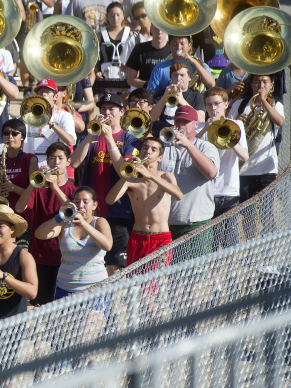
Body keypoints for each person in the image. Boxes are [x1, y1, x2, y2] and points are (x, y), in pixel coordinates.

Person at [69, 92, 140, 272]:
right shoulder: (92, 136)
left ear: (122, 112)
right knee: (89, 264)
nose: (107, 112)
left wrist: (109, 139)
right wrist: (89, 135)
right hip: (92, 213)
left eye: (111, 109)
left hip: (119, 212)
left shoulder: (130, 140)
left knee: (115, 267)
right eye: (103, 109)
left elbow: (125, 172)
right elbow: (74, 163)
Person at [14, 141, 76, 304]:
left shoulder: (73, 190)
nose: (56, 162)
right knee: (39, 307)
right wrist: (33, 184)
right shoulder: (39, 189)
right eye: (52, 158)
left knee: (62, 309)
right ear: (47, 161)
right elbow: (20, 208)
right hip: (40, 256)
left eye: (60, 158)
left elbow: (73, 213)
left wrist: (54, 187)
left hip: (65, 258)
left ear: (68, 162)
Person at [106, 136, 182, 267]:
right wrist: (127, 174)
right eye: (145, 148)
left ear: (160, 158)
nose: (148, 151)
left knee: (158, 281)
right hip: (137, 238)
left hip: (160, 239)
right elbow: (110, 200)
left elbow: (178, 195)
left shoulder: (166, 176)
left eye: (153, 149)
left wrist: (151, 176)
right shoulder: (132, 181)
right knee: (135, 282)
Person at [34, 186, 112, 299]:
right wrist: (59, 217)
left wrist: (84, 224)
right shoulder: (65, 224)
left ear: (94, 204)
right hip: (65, 289)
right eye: (76, 202)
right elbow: (40, 234)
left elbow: (107, 246)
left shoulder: (100, 222)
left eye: (86, 202)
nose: (81, 205)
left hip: (95, 289)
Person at [162, 106, 219, 245]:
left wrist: (188, 145)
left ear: (196, 124)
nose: (180, 125)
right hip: (166, 224)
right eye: (177, 121)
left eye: (185, 122)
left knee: (196, 267)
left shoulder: (206, 147)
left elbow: (211, 172)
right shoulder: (163, 147)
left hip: (195, 223)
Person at [232, 73, 285, 202]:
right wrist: (237, 122)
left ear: (271, 85)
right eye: (257, 82)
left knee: (266, 213)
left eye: (265, 82)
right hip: (243, 169)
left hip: (267, 168)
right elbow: (228, 130)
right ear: (251, 84)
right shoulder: (239, 105)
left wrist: (263, 102)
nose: (261, 85)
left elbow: (279, 121)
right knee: (246, 215)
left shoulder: (276, 104)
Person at [201, 86, 248, 218]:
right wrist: (205, 130)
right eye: (209, 105)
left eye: (217, 103)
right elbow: (190, 150)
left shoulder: (236, 125)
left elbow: (245, 156)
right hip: (206, 191)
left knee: (230, 237)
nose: (213, 108)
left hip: (229, 191)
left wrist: (230, 139)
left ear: (226, 104)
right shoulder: (200, 127)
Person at [21, 78, 76, 166]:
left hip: (55, 168)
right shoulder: (29, 115)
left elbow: (70, 141)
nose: (43, 94)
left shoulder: (64, 116)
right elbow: (14, 127)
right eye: (40, 92)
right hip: (31, 169)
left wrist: (50, 123)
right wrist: (26, 112)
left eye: (47, 91)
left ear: (55, 97)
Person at [146, 33, 215, 98]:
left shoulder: (200, 65)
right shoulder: (160, 67)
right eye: (174, 44)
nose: (179, 48)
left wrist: (193, 62)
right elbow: (151, 93)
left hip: (194, 104)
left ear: (189, 46)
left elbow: (212, 85)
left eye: (182, 44)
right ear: (169, 47)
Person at [124, 24, 169, 90]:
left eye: (162, 29)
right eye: (156, 29)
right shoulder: (140, 49)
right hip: (146, 95)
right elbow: (130, 80)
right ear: (151, 29)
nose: (159, 32)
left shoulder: (172, 50)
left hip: (167, 93)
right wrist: (148, 85)